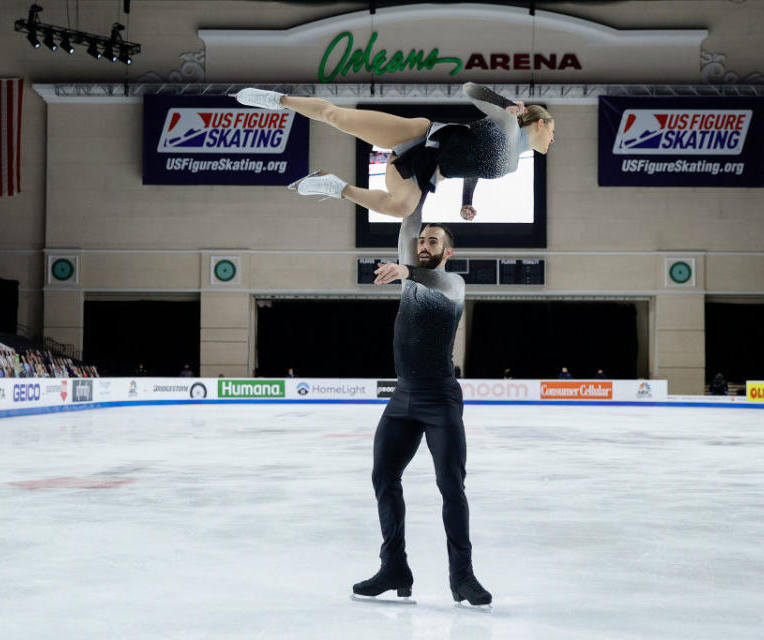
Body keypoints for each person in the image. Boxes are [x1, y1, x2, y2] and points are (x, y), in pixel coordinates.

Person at [351, 204, 491, 607]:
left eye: (433, 241)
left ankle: (462, 577)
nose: (424, 244)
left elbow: (428, 278)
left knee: (451, 487)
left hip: (439, 398)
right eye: (422, 240)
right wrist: (420, 176)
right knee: (383, 477)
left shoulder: (452, 285)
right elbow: (409, 218)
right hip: (402, 396)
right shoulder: (409, 276)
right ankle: (394, 567)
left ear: (447, 252)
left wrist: (406, 270)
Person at [234, 83, 555, 221]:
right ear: (539, 124)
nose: (553, 140)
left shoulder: (512, 166)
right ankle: (277, 101)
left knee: (402, 207)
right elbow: (469, 89)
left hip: (424, 170)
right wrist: (503, 103)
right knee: (338, 117)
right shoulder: (508, 123)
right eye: (553, 132)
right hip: (421, 135)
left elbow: (476, 167)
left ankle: (333, 186)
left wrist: (467, 201)